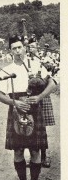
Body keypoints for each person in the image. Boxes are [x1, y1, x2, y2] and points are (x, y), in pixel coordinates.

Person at [0, 35, 56, 180]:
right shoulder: (6, 70)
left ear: (24, 48)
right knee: (18, 150)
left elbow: (52, 84)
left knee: (36, 150)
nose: (17, 51)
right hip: (16, 111)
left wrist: (39, 98)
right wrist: (14, 102)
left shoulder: (36, 66)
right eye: (14, 48)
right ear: (10, 51)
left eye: (19, 47)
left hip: (35, 109)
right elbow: (0, 95)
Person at [28, 38, 56, 167]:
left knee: (41, 127)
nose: (31, 48)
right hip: (29, 97)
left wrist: (47, 66)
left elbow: (51, 75)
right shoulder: (25, 61)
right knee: (29, 125)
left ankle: (43, 157)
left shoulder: (43, 60)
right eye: (29, 46)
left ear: (37, 47)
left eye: (33, 46)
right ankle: (33, 157)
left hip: (42, 96)